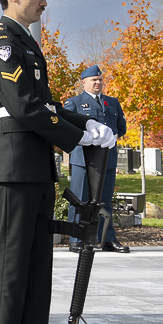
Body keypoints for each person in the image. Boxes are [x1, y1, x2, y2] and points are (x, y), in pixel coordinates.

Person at [0, 0, 116, 324]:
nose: (43, 2)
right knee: (14, 254)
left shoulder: (26, 43)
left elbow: (47, 105)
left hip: (34, 161)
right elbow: (23, 106)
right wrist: (76, 136)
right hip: (14, 161)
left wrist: (85, 123)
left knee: (38, 255)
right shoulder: (2, 43)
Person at [63, 65, 128, 253]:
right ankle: (76, 239)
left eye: (100, 79)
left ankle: (107, 239)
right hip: (83, 159)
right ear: (83, 82)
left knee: (105, 201)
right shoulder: (74, 103)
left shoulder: (112, 102)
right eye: (94, 80)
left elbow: (121, 128)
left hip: (107, 158)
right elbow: (66, 128)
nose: (98, 82)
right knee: (80, 200)